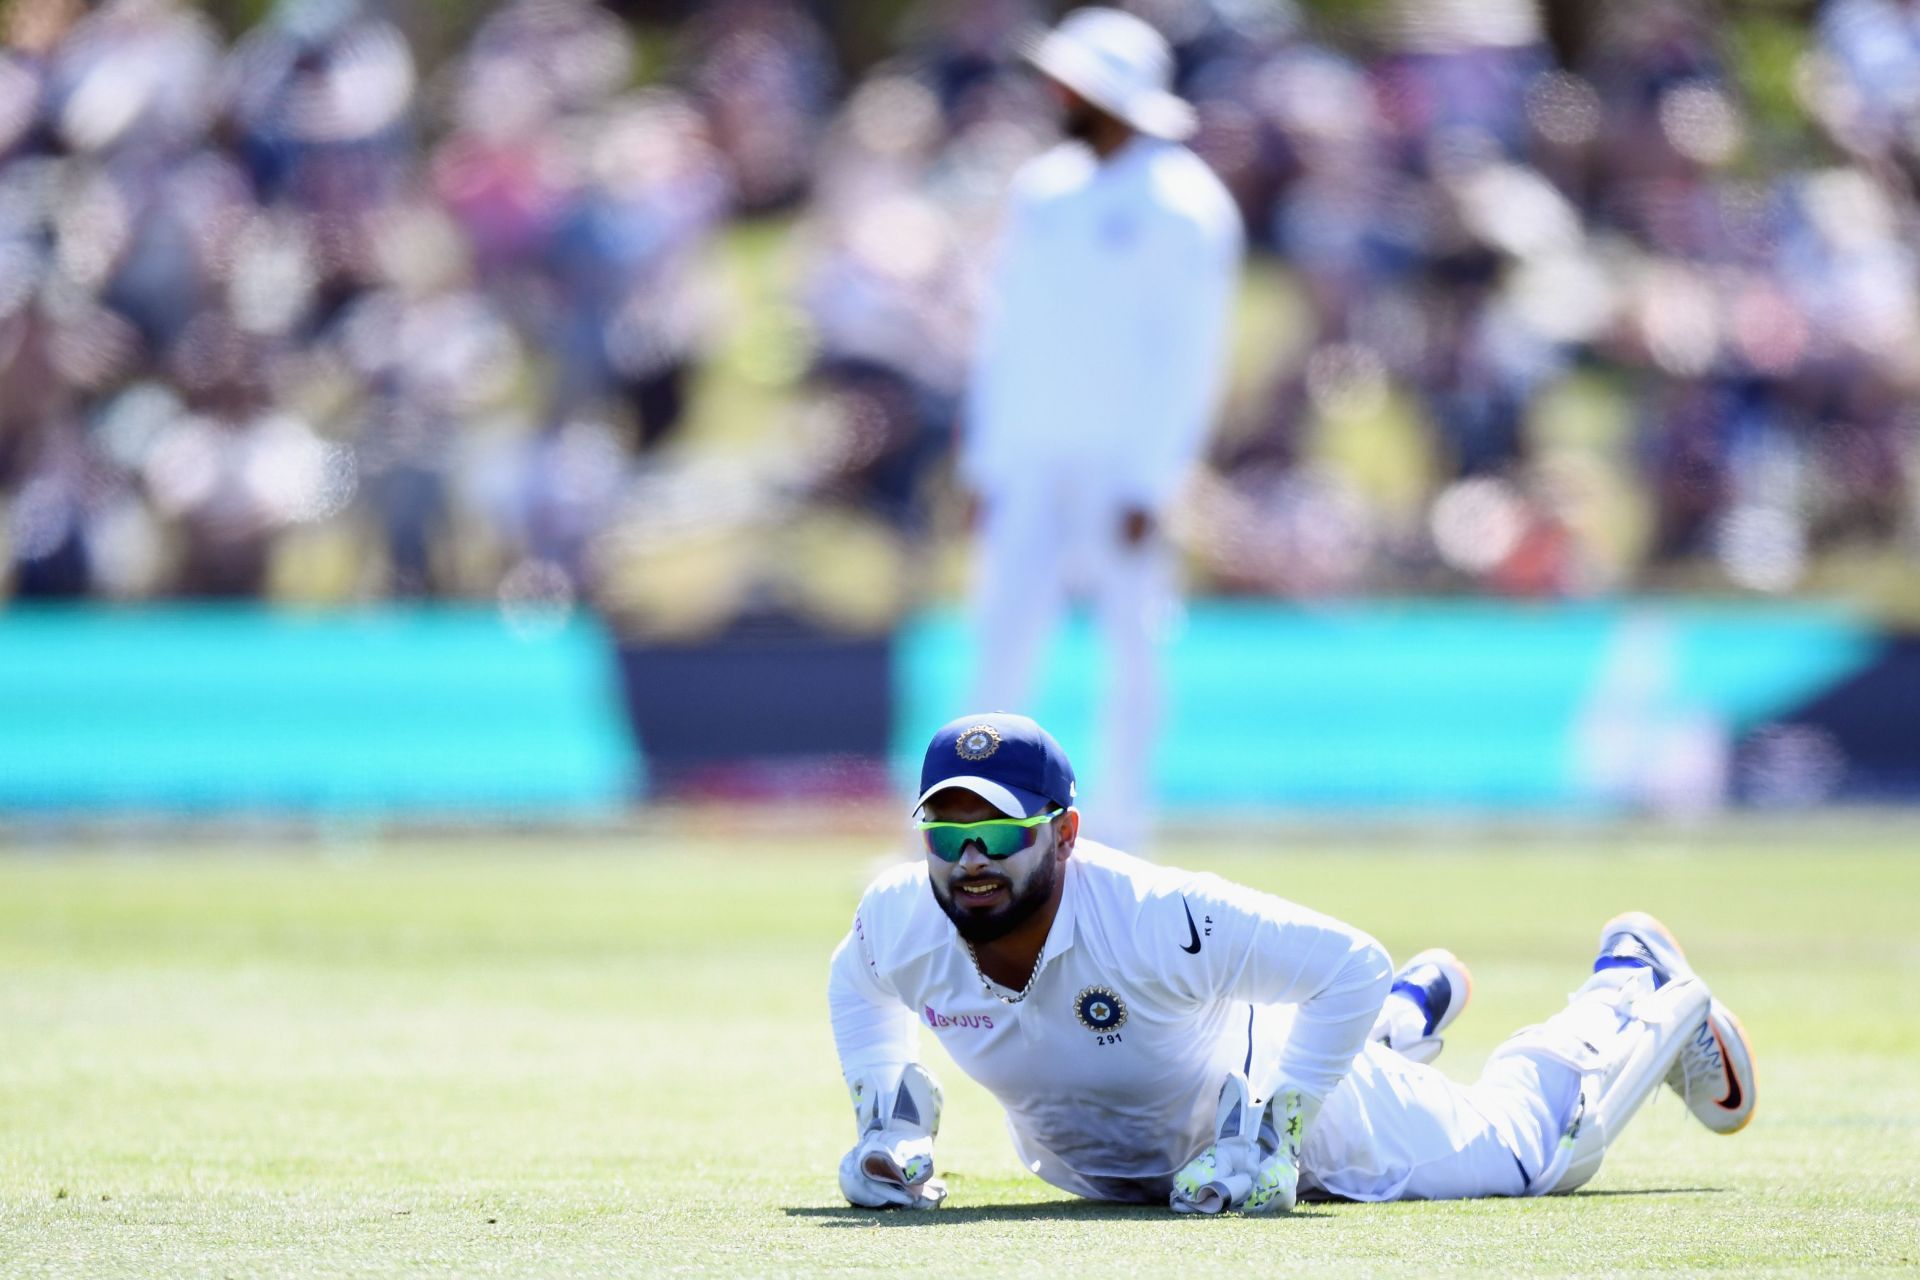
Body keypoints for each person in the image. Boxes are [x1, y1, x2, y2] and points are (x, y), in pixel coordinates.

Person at [827, 713, 1756, 1212]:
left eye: (997, 831)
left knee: (1533, 1155)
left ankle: (1632, 984)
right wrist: (885, 1118)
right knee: (1335, 1020)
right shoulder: (901, 916)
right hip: (1128, 1164)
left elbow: (1347, 962)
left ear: (1065, 833)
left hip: (1306, 1113)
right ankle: (1400, 1022)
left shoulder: (1157, 916)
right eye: (947, 832)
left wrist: (1277, 1136)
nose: (971, 860)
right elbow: (857, 973)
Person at [958, 9, 1244, 851]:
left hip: (1122, 466)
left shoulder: (1184, 203)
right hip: (1032, 458)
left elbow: (1193, 355)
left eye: (1072, 82)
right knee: (1001, 642)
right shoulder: (1044, 189)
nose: (1055, 94)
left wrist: (1155, 479)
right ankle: (970, 820)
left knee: (1133, 647)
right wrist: (986, 460)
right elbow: (1007, 336)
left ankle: (1123, 830)